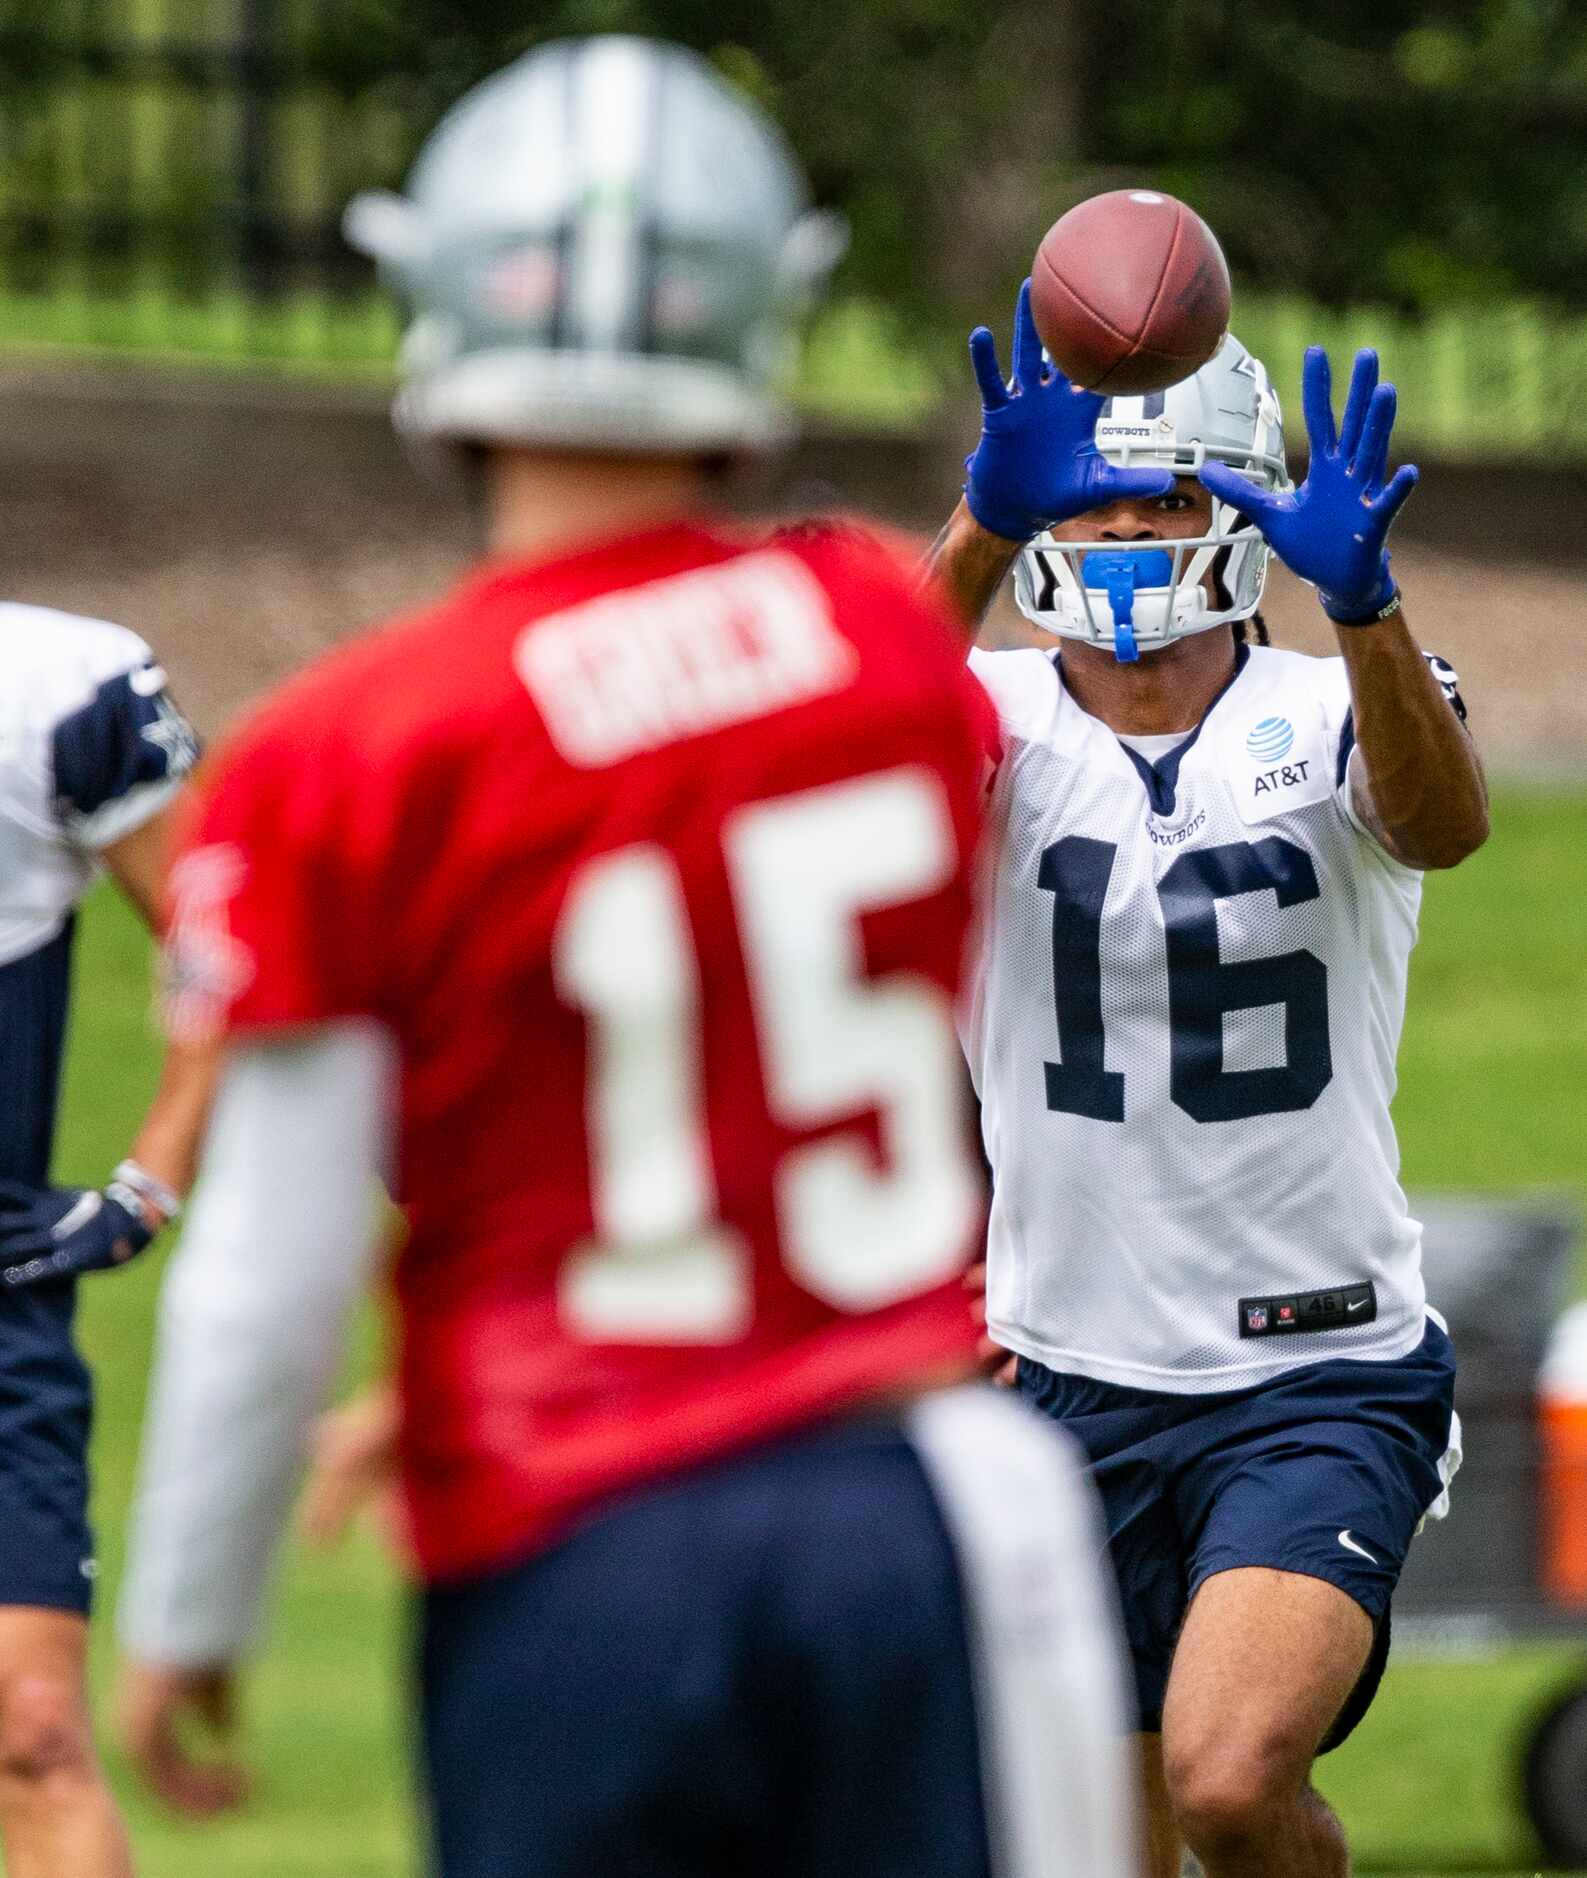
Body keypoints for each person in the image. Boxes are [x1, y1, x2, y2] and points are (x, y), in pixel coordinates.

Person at [112, 41, 1139, 1877]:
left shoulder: (350, 749)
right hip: (917, 1503)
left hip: (572, 1533)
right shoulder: (878, 645)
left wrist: (194, 1605)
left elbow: (272, 1258)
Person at [924, 283, 1488, 1878]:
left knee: (1230, 1777)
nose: (1120, 522)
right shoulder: (988, 715)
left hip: (1314, 1371)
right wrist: (974, 524)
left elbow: (1438, 821)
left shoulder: (1331, 708)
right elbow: (822, 737)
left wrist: (1364, 607)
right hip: (1065, 1378)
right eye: (1088, 487)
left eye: (1164, 487)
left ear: (1239, 504)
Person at [0, 604, 201, 1874]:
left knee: (34, 1730)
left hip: (0, 1306)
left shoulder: (54, 687)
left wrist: (150, 1180)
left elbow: (232, 936)